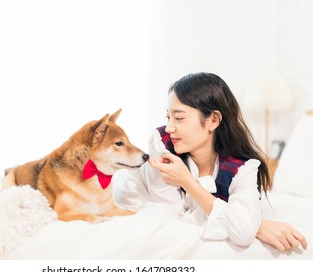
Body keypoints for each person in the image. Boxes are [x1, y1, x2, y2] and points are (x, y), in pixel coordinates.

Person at [114, 72, 307, 251]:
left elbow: (242, 233)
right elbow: (173, 218)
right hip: (123, 200)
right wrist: (256, 225)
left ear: (214, 120)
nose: (170, 127)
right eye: (168, 117)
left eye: (179, 118)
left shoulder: (243, 167)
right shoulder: (161, 144)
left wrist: (187, 182)